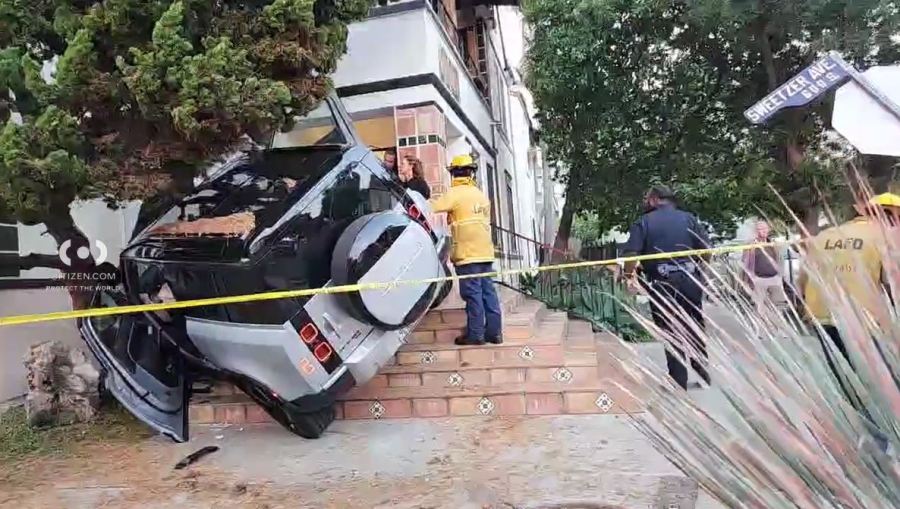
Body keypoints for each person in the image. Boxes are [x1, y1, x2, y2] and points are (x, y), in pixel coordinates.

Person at [799, 192, 900, 383]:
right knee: (878, 380)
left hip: (821, 315)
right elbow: (892, 283)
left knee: (844, 375)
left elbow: (803, 278)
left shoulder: (825, 234)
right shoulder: (885, 238)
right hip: (863, 319)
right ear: (892, 215)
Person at [621, 185, 712, 390]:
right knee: (694, 326)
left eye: (647, 198)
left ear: (654, 200)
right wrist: (701, 272)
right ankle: (703, 374)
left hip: (662, 284)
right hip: (690, 281)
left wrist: (628, 275)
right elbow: (706, 250)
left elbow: (631, 255)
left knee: (670, 330)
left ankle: (679, 381)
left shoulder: (643, 222)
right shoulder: (689, 219)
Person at [429, 154, 502, 346]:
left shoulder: (455, 193)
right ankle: (494, 333)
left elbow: (431, 207)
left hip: (467, 254)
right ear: (471, 172)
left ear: (454, 173)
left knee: (473, 294)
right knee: (488, 292)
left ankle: (476, 334)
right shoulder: (480, 195)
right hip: (485, 252)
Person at [742, 220, 787, 312]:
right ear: (756, 231)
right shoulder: (751, 245)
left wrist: (780, 275)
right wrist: (747, 281)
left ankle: (778, 324)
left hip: (775, 278)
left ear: (769, 229)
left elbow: (780, 259)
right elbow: (745, 262)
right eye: (760, 229)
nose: (763, 231)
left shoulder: (773, 244)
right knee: (760, 307)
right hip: (759, 279)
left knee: (778, 305)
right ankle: (763, 324)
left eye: (765, 228)